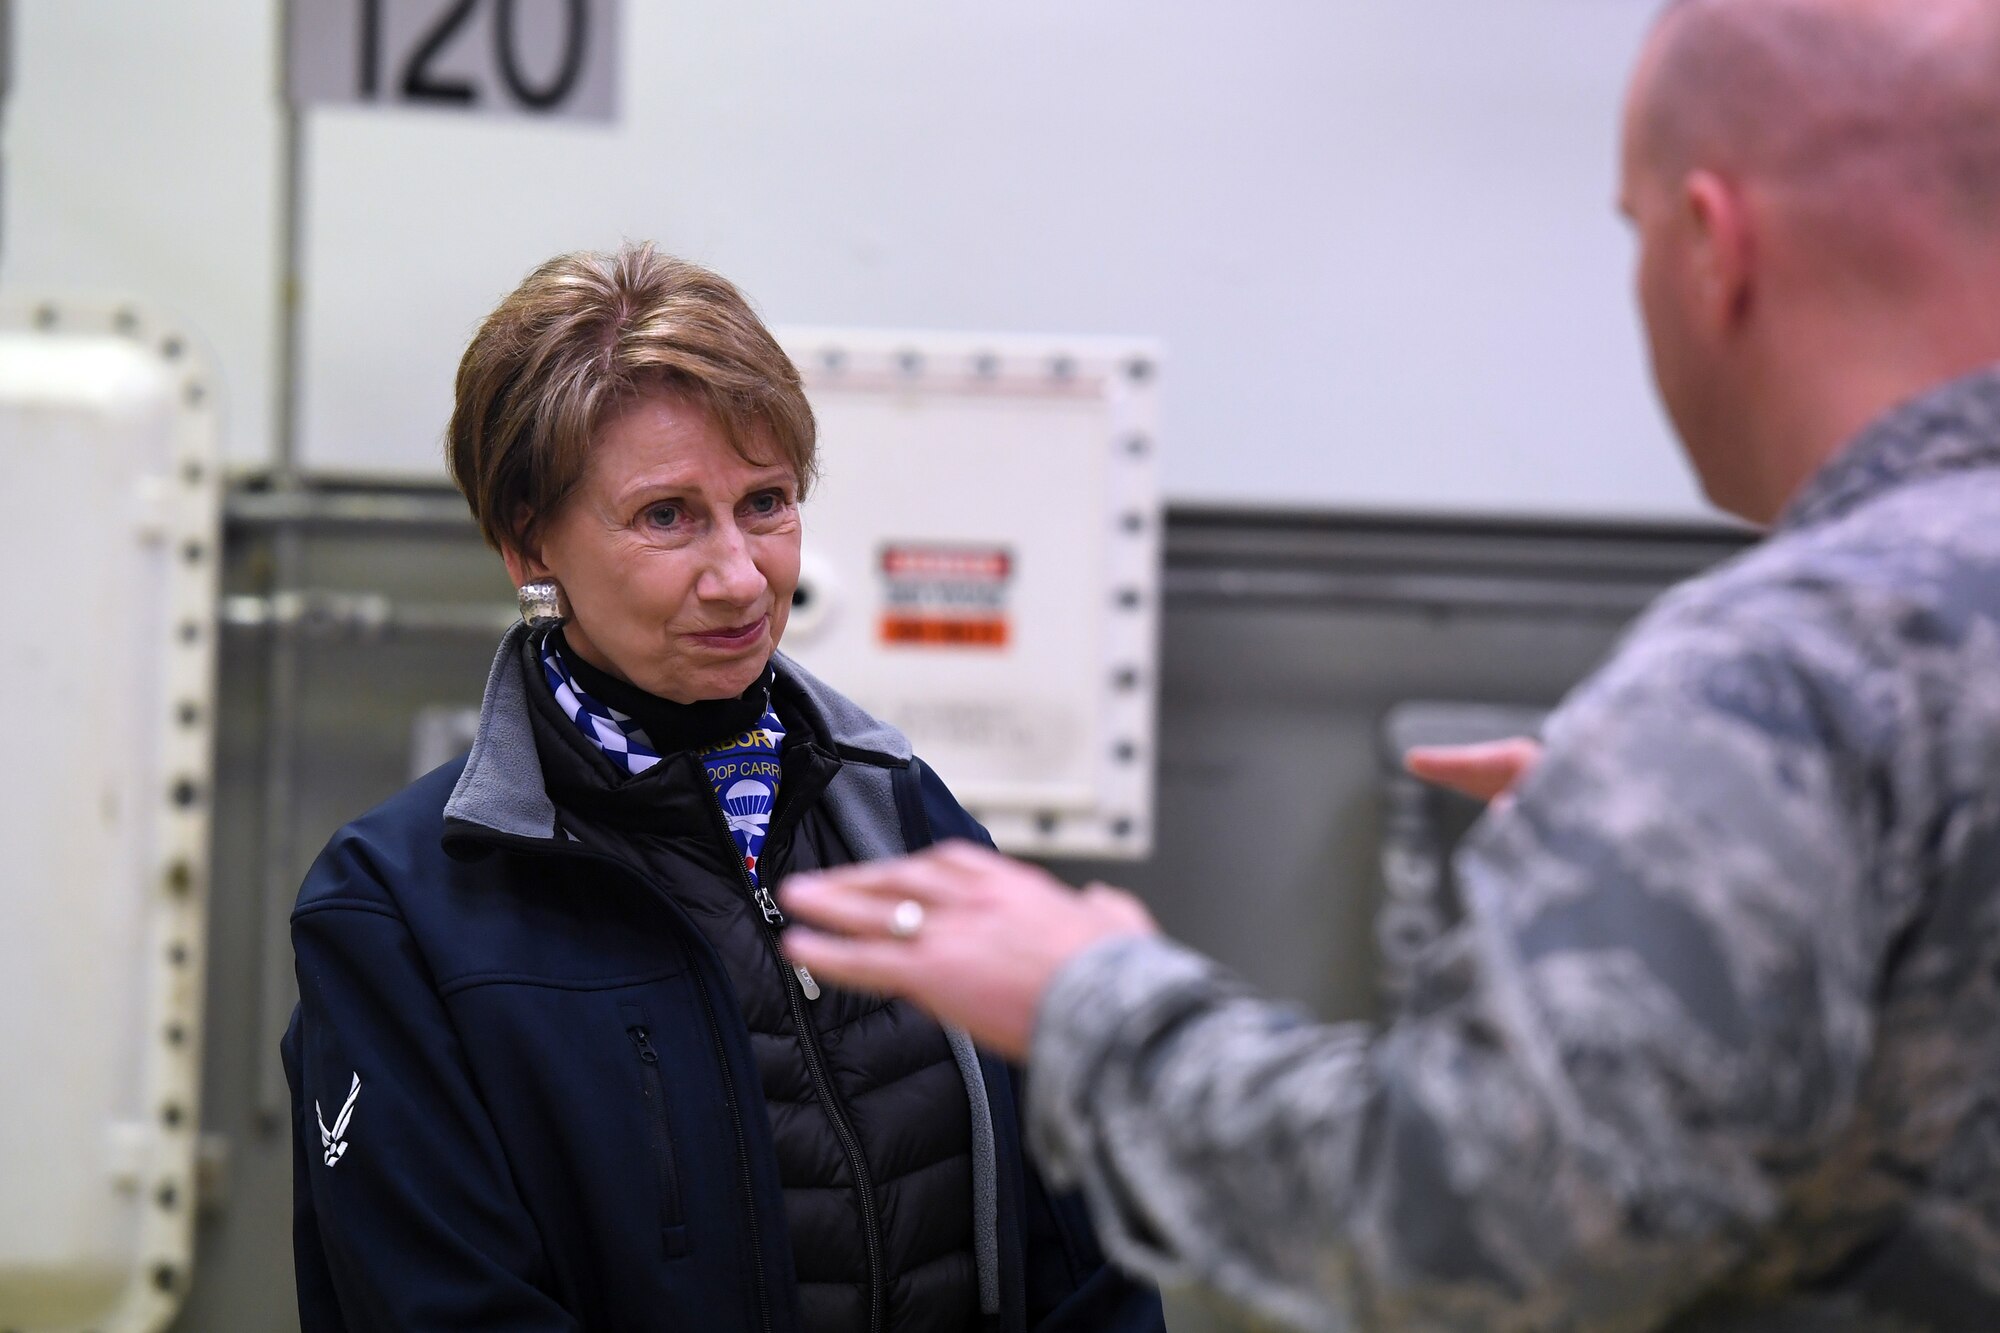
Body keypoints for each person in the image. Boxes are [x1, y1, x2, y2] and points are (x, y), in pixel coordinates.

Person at [776, 0, 2000, 1328]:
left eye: (1634, 231)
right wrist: (1733, 852)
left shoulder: (1787, 672)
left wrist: (1096, 1003)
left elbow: (1476, 1234)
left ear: (1713, 244)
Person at [281, 244, 1166, 1333]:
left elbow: (1083, 1251)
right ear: (526, 542)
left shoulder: (903, 817)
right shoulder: (402, 912)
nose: (741, 576)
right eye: (665, 516)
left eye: (765, 502)